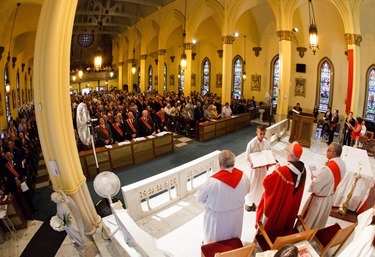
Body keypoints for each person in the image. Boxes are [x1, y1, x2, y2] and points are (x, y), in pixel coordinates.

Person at [197, 150, 250, 243]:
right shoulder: (243, 176)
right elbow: (247, 190)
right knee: (233, 239)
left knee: (214, 242)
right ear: (234, 162)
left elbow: (200, 198)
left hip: (217, 218)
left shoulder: (213, 181)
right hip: (236, 215)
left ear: (220, 163)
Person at [256, 141, 306, 233]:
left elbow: (266, 182)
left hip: (278, 207)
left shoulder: (283, 171)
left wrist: (276, 171)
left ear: (290, 155)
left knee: (270, 224)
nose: (285, 152)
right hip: (290, 207)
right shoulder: (303, 169)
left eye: (286, 150)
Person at [300, 142, 346, 229]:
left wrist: (314, 178)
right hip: (329, 197)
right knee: (319, 221)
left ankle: (304, 234)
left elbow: (316, 186)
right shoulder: (343, 164)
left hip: (319, 201)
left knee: (309, 222)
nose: (326, 151)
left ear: (334, 154)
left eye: (328, 150)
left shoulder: (327, 169)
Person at [245, 124, 271, 212]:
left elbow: (269, 155)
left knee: (260, 185)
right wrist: (252, 163)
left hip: (263, 169)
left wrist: (269, 163)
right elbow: (247, 157)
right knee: (252, 185)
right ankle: (248, 203)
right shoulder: (251, 143)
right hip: (254, 169)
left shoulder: (267, 143)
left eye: (264, 134)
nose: (262, 136)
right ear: (257, 132)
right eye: (261, 134)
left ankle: (256, 203)